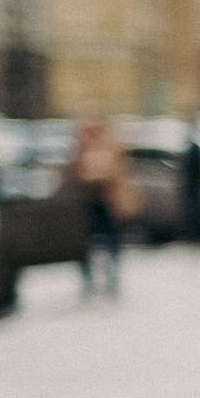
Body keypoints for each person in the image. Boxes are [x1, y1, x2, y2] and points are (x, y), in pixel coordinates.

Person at [70, 114, 132, 297]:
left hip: (107, 202)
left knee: (112, 240)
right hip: (87, 203)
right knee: (85, 241)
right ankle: (89, 278)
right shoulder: (81, 148)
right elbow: (75, 174)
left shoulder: (111, 147)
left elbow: (115, 173)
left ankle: (111, 277)